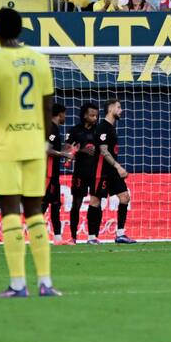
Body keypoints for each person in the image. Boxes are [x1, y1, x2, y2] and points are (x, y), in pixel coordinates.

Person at [0, 8, 60, 298]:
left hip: (6, 144)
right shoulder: (39, 60)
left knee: (11, 213)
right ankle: (45, 282)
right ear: (20, 29)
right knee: (35, 212)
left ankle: (18, 284)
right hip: (34, 144)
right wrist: (44, 138)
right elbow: (48, 105)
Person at [85, 98, 136, 244]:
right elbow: (103, 150)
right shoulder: (102, 127)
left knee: (125, 197)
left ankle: (120, 234)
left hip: (112, 171)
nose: (121, 110)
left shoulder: (111, 128)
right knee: (95, 200)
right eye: (118, 107)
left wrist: (116, 168)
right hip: (101, 170)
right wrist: (118, 167)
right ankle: (92, 237)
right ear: (110, 109)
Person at [42, 103, 77, 245]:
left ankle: (57, 238)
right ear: (60, 114)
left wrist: (67, 149)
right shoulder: (51, 128)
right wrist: (64, 154)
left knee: (56, 204)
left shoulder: (55, 129)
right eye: (65, 114)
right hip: (48, 173)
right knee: (43, 204)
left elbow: (55, 150)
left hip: (54, 174)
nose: (65, 117)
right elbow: (47, 150)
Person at [63, 102, 98, 245]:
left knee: (95, 204)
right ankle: (73, 237)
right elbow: (66, 150)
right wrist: (79, 151)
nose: (95, 118)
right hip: (80, 172)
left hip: (96, 173)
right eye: (92, 115)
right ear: (84, 115)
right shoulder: (74, 131)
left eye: (96, 115)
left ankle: (92, 236)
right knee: (76, 205)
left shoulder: (99, 131)